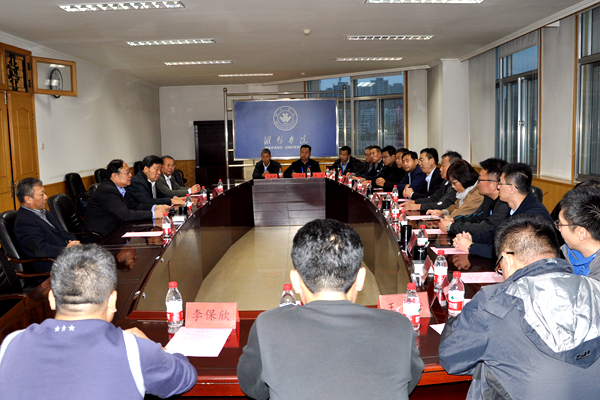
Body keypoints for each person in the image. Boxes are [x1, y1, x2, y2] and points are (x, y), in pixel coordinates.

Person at [237, 219, 424, 400]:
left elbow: (255, 390)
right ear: (361, 279)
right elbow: (408, 384)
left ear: (295, 281)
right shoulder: (399, 326)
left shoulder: (268, 325)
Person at [0, 244, 197, 399]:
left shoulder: (9, 344)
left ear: (52, 299)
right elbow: (186, 377)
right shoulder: (132, 349)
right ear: (112, 301)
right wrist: (157, 349)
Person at [439, 214, 600, 400]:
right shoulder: (595, 288)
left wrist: (455, 320)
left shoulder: (494, 300)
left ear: (507, 260)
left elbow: (451, 357)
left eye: (499, 267)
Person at [453, 162, 552, 259]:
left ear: (512, 188)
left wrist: (471, 247)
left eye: (500, 183)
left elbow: (510, 253)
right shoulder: (512, 207)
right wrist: (471, 238)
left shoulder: (533, 215)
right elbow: (496, 234)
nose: (498, 187)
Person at [84, 159, 170, 237]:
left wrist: (155, 207)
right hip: (101, 237)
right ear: (114, 176)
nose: (130, 175)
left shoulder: (121, 188)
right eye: (127, 173)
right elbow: (125, 215)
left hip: (117, 230)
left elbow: (134, 206)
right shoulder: (107, 190)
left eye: (130, 172)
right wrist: (154, 214)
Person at [13, 178, 80, 271]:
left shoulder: (44, 212)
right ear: (28, 199)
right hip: (52, 265)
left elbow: (62, 232)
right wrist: (65, 250)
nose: (46, 197)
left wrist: (74, 242)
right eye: (42, 194)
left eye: (44, 193)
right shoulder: (24, 221)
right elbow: (40, 249)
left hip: (66, 257)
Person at [440, 157, 509, 236]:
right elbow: (476, 217)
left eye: (480, 179)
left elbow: (484, 228)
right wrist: (454, 220)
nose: (478, 182)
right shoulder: (488, 198)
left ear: (493, 185)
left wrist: (451, 227)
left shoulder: (504, 204)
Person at [557, 179, 600, 279]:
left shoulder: (596, 282)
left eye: (561, 224)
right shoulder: (567, 252)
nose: (558, 228)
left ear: (581, 233)